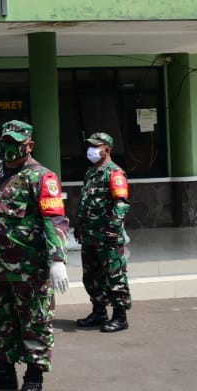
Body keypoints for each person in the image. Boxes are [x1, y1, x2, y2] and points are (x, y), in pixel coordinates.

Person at [0, 120, 71, 391]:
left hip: (29, 267)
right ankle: (6, 370)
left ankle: (34, 377)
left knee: (34, 321)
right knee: (1, 321)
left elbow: (54, 219)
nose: (9, 147)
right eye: (5, 141)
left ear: (29, 145)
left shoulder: (42, 177)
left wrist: (57, 259)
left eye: (16, 142)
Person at [74, 132, 132, 333]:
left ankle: (120, 316)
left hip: (107, 237)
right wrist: (79, 227)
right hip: (89, 236)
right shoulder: (91, 173)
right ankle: (99, 312)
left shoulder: (115, 174)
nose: (91, 150)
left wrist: (113, 229)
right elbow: (85, 203)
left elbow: (122, 204)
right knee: (91, 277)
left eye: (95, 146)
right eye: (90, 146)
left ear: (107, 149)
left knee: (114, 276)